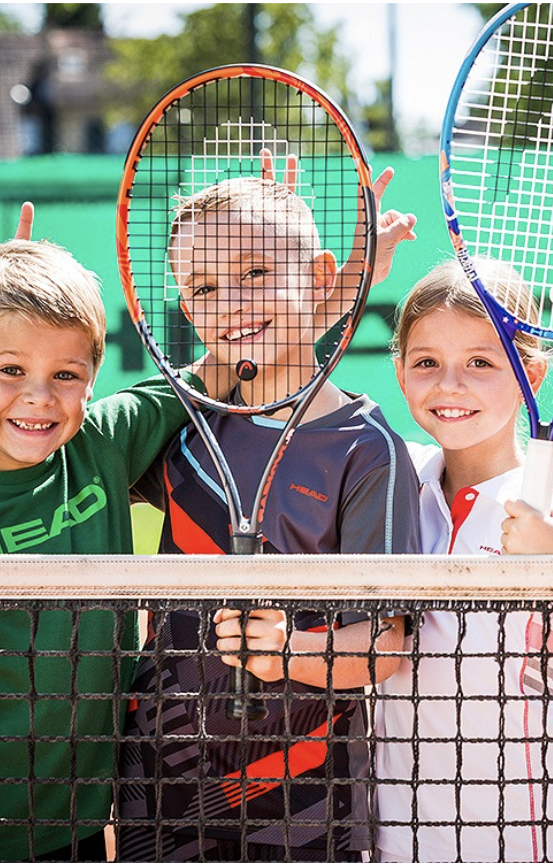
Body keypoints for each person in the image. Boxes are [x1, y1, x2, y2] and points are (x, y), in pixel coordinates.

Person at [0, 204, 230, 862]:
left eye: (65, 375)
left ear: (92, 378)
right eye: (10, 370)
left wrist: (315, 295)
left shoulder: (103, 443)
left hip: (77, 833)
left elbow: (227, 366)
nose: (38, 397)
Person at [116, 174, 423, 863]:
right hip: (157, 791)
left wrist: (290, 650)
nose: (230, 304)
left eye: (255, 270)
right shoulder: (184, 427)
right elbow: (62, 459)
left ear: (319, 277)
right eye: (202, 288)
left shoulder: (367, 451)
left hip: (303, 808)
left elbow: (385, 646)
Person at [373, 258, 553, 863]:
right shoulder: (391, 477)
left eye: (482, 363)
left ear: (530, 374)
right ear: (401, 373)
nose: (450, 385)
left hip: (526, 819)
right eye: (426, 362)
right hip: (400, 819)